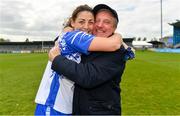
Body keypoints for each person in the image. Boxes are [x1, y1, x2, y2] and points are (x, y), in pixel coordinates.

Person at [35, 4, 124, 115]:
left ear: (114, 28)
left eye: (106, 22)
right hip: (53, 104)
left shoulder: (114, 53)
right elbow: (113, 43)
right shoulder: (75, 36)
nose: (86, 26)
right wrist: (118, 37)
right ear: (73, 23)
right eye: (97, 21)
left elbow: (88, 76)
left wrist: (121, 41)